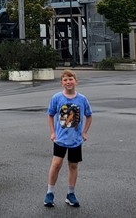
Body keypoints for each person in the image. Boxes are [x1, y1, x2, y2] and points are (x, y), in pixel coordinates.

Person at [44, 69, 92, 208]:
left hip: (75, 139)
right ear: (61, 83)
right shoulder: (57, 98)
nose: (68, 82)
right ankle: (50, 193)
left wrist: (84, 132)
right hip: (60, 139)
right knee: (56, 164)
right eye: (65, 80)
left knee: (73, 165)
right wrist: (53, 132)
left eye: (71, 79)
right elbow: (50, 114)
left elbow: (89, 115)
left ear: (76, 81)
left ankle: (70, 194)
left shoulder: (82, 99)